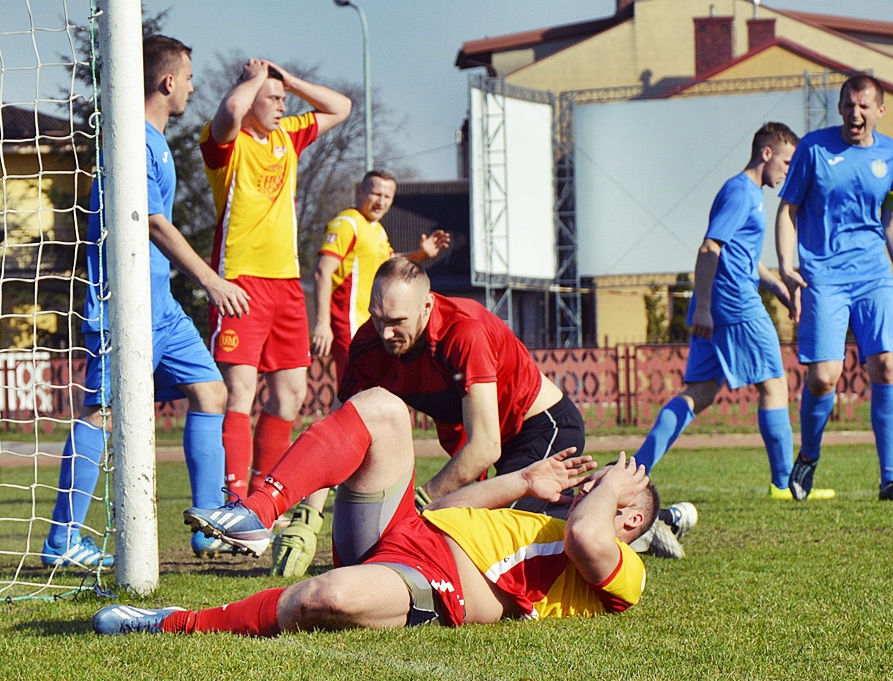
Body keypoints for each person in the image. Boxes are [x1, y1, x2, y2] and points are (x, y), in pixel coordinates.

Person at [93, 386, 668, 635]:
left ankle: (171, 622)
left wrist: (614, 484)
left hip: (429, 581)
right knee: (384, 408)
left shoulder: (621, 566)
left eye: (609, 493)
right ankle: (261, 509)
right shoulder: (550, 521)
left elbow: (590, 538)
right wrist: (524, 479)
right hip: (409, 530)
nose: (589, 491)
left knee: (325, 599)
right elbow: (449, 507)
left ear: (631, 520)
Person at [42, 35, 252, 568]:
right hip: (121, 306)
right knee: (102, 413)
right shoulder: (131, 140)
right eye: (187, 77)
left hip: (161, 308)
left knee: (210, 391)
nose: (192, 86)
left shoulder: (152, 140)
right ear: (167, 82)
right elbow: (154, 223)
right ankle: (62, 541)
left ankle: (207, 526)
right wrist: (211, 280)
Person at [271, 257, 614, 577]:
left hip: (539, 427)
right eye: (377, 316)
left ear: (427, 306)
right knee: (463, 535)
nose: (385, 332)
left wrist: (419, 503)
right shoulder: (370, 343)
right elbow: (338, 435)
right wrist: (307, 517)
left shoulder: (466, 331)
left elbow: (485, 446)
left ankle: (622, 520)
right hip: (480, 438)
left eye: (397, 322)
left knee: (507, 537)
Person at [633, 122, 835, 502]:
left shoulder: (750, 195)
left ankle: (633, 469)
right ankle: (785, 485)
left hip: (721, 302)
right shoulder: (741, 192)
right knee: (774, 384)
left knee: (701, 393)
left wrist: (777, 286)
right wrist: (706, 307)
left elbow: (742, 254)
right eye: (788, 162)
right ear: (767, 153)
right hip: (734, 303)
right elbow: (710, 249)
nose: (789, 171)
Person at [200, 58, 351, 501]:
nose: (283, 106)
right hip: (239, 283)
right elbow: (229, 113)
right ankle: (233, 500)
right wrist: (251, 80)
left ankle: (262, 501)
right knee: (240, 392)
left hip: (286, 284)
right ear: (250, 99)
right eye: (274, 99)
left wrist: (289, 80)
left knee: (290, 394)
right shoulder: (224, 143)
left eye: (285, 100)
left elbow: (341, 107)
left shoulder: (287, 135)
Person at [775, 74, 893, 501]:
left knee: (887, 367)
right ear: (839, 108)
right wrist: (787, 265)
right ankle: (809, 456)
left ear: (880, 110)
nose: (855, 113)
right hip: (823, 275)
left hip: (874, 274)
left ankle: (890, 479)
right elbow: (788, 210)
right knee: (824, 378)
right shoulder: (813, 150)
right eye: (848, 104)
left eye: (863, 106)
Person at [311, 169, 451, 382]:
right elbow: (323, 272)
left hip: (372, 325)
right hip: (349, 326)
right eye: (376, 194)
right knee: (353, 393)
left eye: (387, 197)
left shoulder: (377, 229)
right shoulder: (347, 224)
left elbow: (389, 262)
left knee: (371, 392)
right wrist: (322, 323)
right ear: (360, 192)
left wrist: (421, 255)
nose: (381, 202)